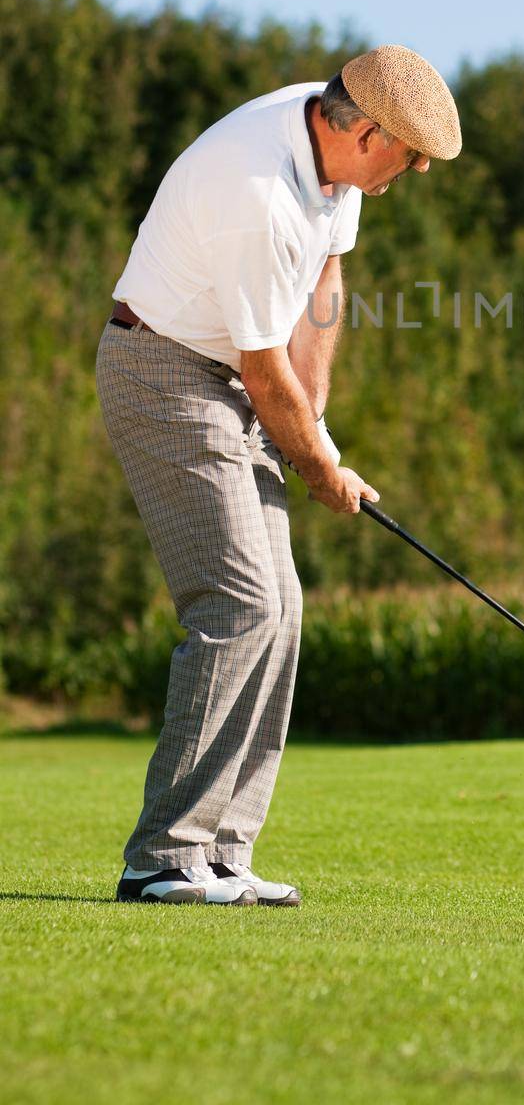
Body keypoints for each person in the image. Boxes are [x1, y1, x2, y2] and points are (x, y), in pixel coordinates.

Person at [96, 45, 461, 905]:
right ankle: (163, 858)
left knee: (282, 609)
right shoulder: (254, 188)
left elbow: (324, 286)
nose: (407, 173)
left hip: (229, 376)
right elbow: (263, 369)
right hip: (163, 373)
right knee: (238, 603)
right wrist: (321, 465)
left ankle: (223, 851)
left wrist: (318, 424)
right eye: (406, 157)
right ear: (365, 129)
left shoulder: (333, 160)